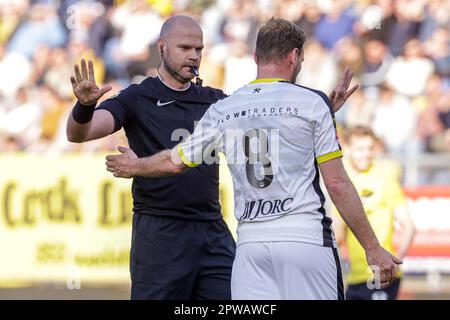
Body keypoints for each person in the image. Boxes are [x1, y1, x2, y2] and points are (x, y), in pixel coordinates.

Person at [105, 17, 401, 300]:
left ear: (256, 57)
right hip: (304, 239)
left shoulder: (224, 109)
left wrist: (136, 166)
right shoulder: (312, 103)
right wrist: (372, 247)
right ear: (294, 56)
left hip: (250, 248)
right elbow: (336, 183)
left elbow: (175, 161)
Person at [333, 126, 416, 300]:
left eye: (370, 148)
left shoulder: (385, 180)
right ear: (347, 149)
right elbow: (339, 236)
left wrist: (394, 264)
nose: (366, 154)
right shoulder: (343, 185)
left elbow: (409, 227)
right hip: (355, 276)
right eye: (360, 149)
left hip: (381, 274)